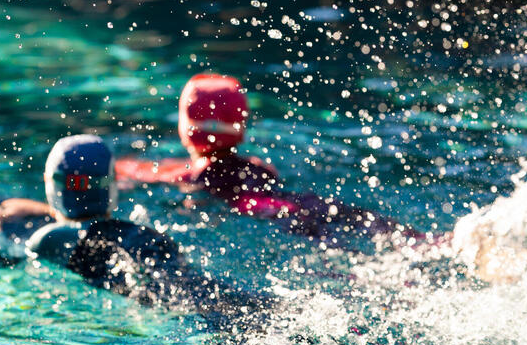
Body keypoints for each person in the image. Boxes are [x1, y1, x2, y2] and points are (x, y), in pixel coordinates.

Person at [0, 134, 269, 327]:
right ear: (112, 187)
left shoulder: (47, 240)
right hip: (181, 282)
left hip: (170, 308)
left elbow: (4, 252)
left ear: (50, 188)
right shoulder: (137, 230)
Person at [116, 73, 425, 244]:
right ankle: (419, 239)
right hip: (277, 201)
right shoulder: (259, 167)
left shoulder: (186, 177)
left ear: (186, 130)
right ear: (241, 127)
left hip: (250, 209)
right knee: (338, 214)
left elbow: (145, 173)